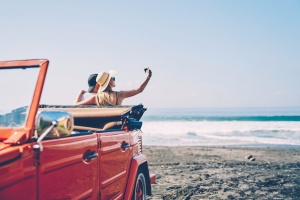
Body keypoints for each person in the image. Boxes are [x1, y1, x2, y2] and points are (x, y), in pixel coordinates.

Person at [75, 68, 152, 106]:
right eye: (112, 78)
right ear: (109, 82)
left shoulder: (96, 98)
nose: (113, 79)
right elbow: (139, 89)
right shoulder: (120, 95)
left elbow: (75, 106)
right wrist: (148, 76)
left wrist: (81, 92)